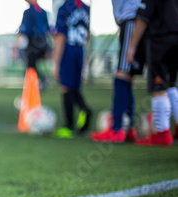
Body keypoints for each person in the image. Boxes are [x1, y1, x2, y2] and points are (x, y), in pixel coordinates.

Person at [91, 0, 144, 143]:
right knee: (127, 78)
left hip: (131, 21)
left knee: (121, 76)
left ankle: (117, 130)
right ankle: (128, 129)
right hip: (132, 21)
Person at [127, 0, 178, 146]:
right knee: (171, 84)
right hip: (176, 37)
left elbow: (143, 17)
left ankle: (162, 134)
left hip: (160, 39)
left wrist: (132, 47)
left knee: (159, 85)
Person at [52, 0, 92, 139]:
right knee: (74, 87)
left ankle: (68, 125)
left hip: (67, 51)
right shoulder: (85, 8)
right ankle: (84, 109)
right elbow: (87, 35)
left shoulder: (64, 8)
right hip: (79, 51)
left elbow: (61, 37)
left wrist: (55, 63)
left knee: (65, 87)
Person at [13, 0, 51, 92]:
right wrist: (49, 47)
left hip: (34, 43)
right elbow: (48, 30)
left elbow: (22, 30)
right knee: (31, 66)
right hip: (43, 43)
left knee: (30, 67)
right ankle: (41, 80)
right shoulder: (43, 12)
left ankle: (37, 84)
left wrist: (15, 47)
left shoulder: (28, 12)